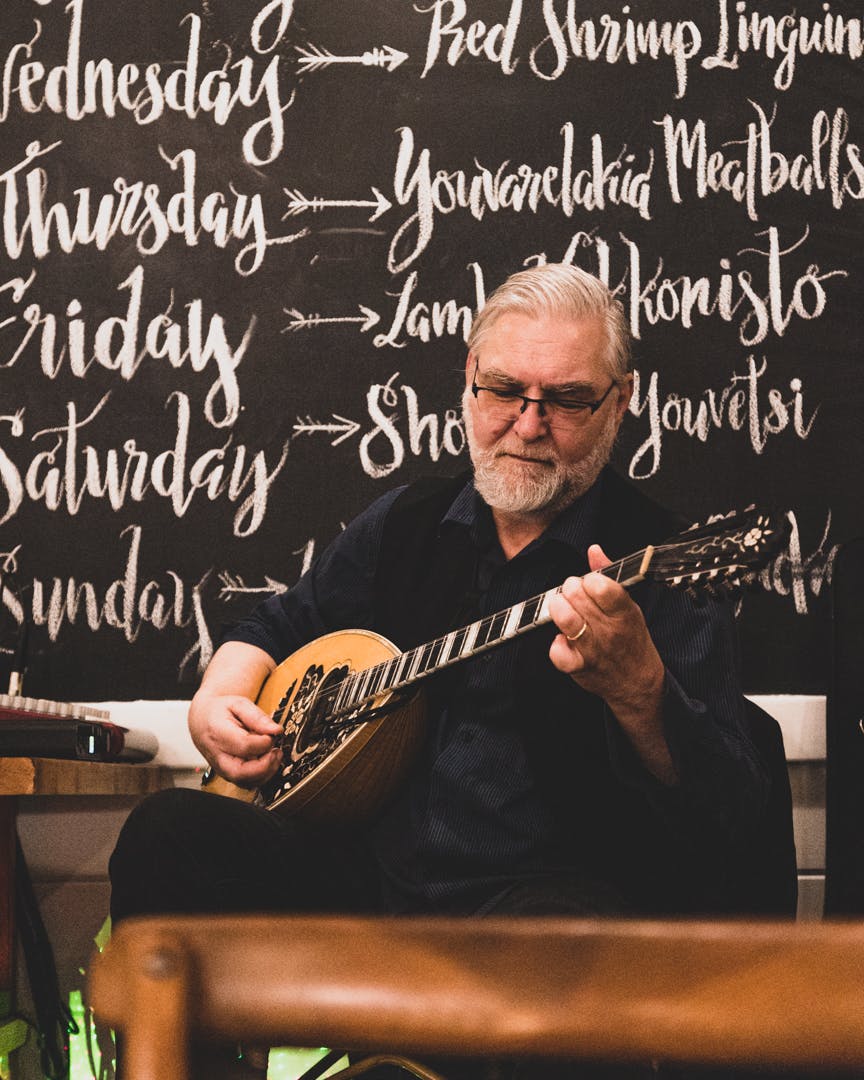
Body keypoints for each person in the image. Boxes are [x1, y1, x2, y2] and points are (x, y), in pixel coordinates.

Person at [109, 264, 770, 1077]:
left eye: (565, 399)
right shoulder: (407, 523)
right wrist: (220, 694)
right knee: (167, 834)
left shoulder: (655, 567)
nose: (527, 425)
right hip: (365, 883)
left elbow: (731, 813)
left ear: (619, 404)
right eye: (504, 390)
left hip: (541, 908)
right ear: (467, 381)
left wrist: (639, 689)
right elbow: (278, 625)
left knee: (568, 952)